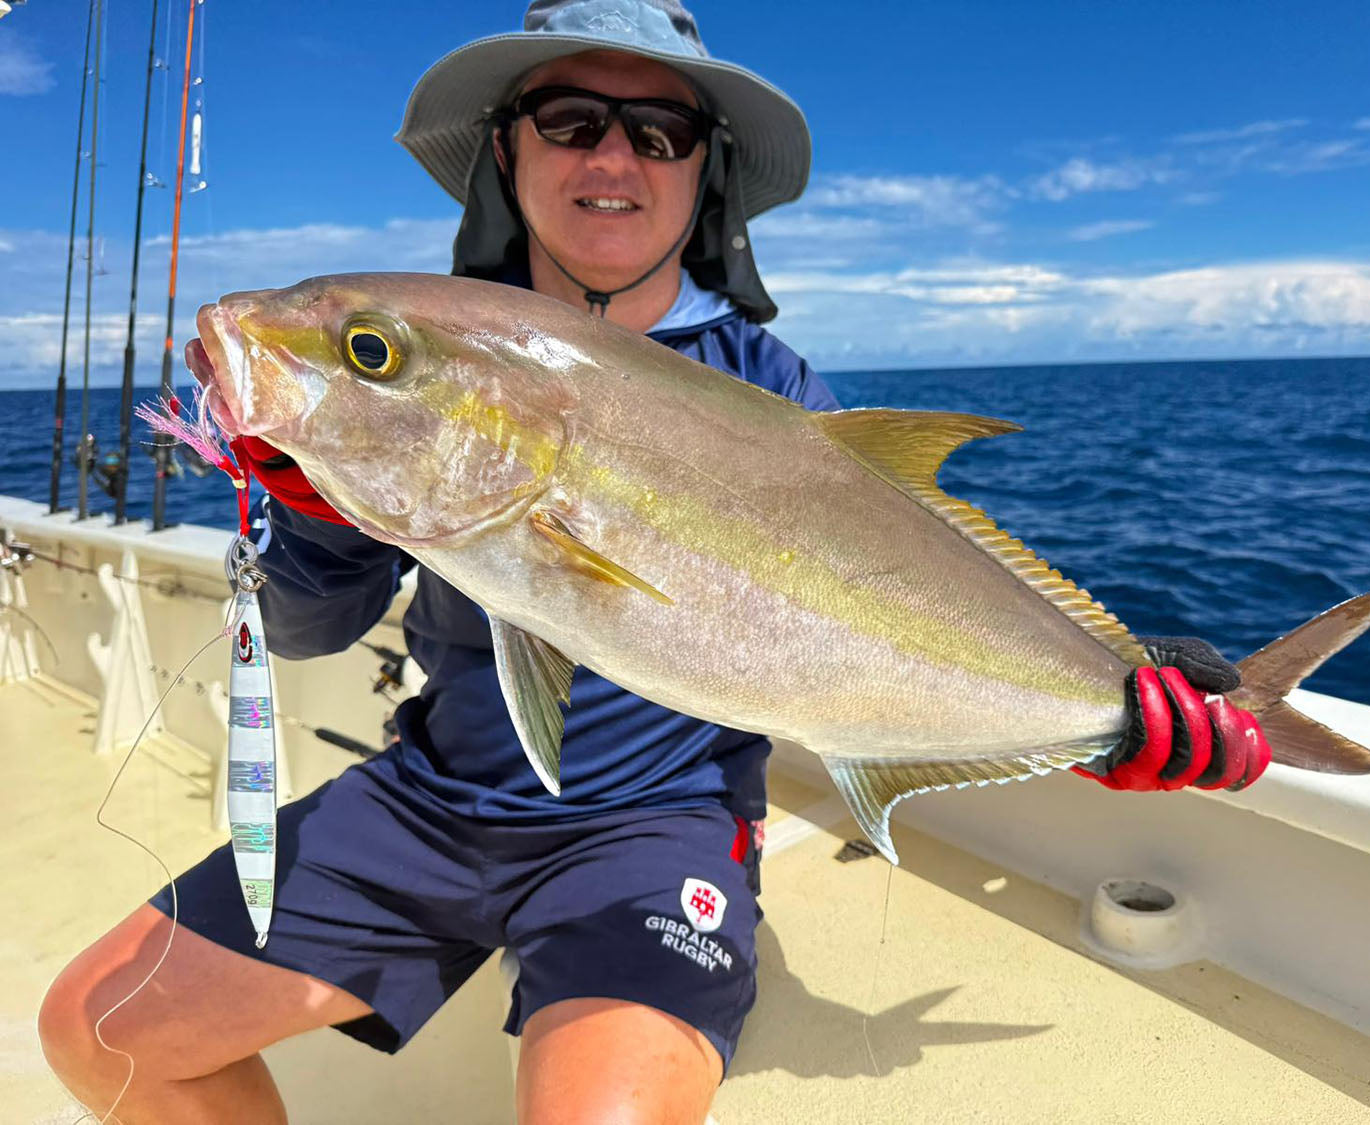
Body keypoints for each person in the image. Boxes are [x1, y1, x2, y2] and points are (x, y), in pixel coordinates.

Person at [37, 3, 1270, 1122]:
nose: (611, 156)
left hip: (660, 828)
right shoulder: (443, 365)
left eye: (660, 129)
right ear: (508, 153)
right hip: (434, 799)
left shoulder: (779, 393)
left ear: (703, 172)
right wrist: (314, 501)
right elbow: (304, 636)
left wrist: (1108, 705)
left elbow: (894, 618)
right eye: (570, 119)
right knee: (98, 1030)